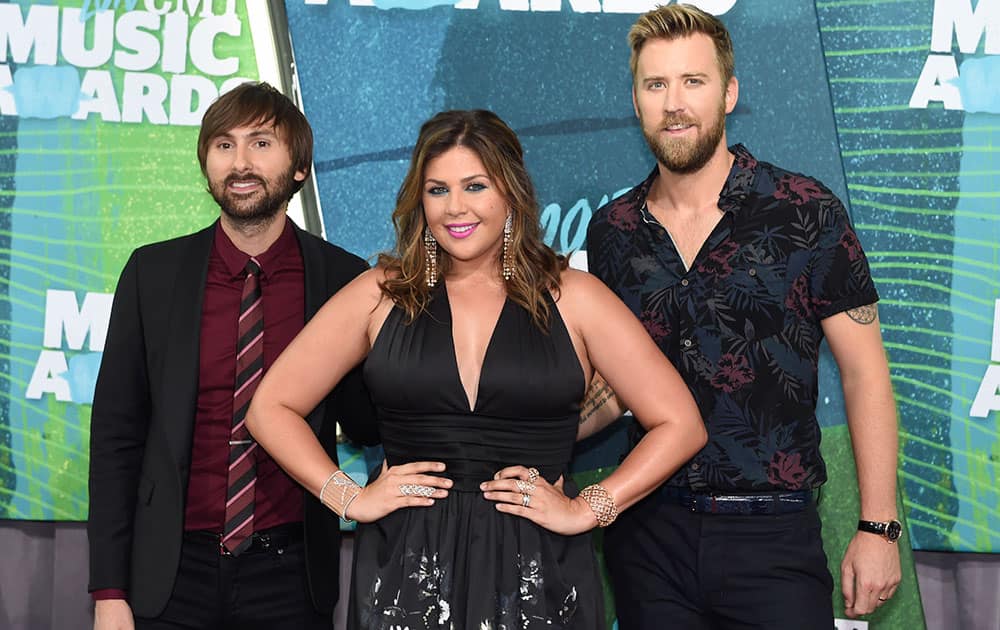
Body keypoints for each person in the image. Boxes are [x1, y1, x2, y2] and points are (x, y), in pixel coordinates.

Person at [245, 109, 706, 630]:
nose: (455, 207)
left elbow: (680, 423)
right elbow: (270, 408)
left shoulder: (574, 297)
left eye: (475, 186)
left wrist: (587, 508)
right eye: (437, 190)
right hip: (405, 571)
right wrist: (349, 498)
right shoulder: (380, 293)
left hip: (538, 569)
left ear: (509, 190)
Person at [584, 5, 902, 628]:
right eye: (656, 85)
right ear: (637, 100)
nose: (675, 103)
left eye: (693, 82)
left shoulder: (806, 212)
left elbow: (866, 375)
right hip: (647, 536)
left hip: (772, 536)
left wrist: (878, 527)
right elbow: (614, 387)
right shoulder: (613, 231)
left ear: (729, 92)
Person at [87, 81, 376, 630]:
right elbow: (117, 439)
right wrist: (108, 591)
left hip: (291, 575)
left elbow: (367, 421)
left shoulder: (343, 279)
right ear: (207, 166)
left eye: (261, 143)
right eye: (224, 145)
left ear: (299, 168)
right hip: (168, 573)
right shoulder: (153, 274)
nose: (240, 162)